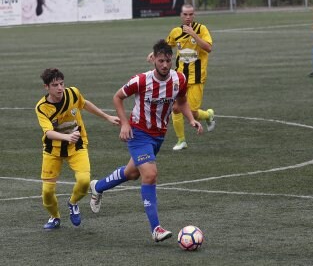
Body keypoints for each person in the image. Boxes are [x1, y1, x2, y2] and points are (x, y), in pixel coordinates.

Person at [91, 39, 203, 242]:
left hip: (158, 135)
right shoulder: (141, 81)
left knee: (132, 173)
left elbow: (182, 101)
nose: (165, 65)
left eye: (168, 61)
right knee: (150, 175)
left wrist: (192, 119)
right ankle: (156, 228)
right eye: (161, 61)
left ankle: (97, 187)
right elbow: (117, 97)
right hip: (138, 134)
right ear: (154, 60)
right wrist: (125, 123)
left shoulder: (179, 80)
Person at [35, 68, 120, 230]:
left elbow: (85, 104)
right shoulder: (42, 107)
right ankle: (55, 217)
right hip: (52, 150)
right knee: (47, 192)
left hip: (77, 146)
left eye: (61, 84)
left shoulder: (73, 93)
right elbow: (49, 132)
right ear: (46, 87)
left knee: (84, 181)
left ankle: (72, 203)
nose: (60, 88)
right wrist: (67, 137)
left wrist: (107, 117)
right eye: (55, 85)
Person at [148, 3, 215, 151]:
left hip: (197, 78)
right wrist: (154, 53)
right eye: (185, 14)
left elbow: (208, 48)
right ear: (181, 15)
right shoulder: (176, 31)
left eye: (191, 14)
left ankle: (208, 115)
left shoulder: (201, 29)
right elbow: (167, 45)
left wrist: (193, 34)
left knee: (191, 112)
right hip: (180, 77)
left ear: (194, 15)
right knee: (176, 108)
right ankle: (181, 140)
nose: (188, 17)